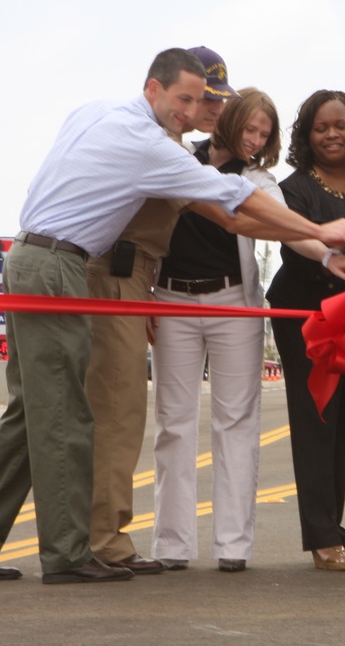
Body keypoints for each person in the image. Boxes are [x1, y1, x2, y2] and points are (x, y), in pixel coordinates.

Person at [0, 47, 345, 585]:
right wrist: (323, 230)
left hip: (37, 258)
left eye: (204, 100)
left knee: (33, 409)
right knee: (68, 414)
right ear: (153, 90)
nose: (192, 111)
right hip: (66, 268)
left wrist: (316, 243)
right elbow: (230, 201)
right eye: (186, 99)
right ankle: (69, 554)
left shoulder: (97, 113)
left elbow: (227, 210)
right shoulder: (150, 144)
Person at [83, 45, 242, 577]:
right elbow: (233, 216)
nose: (213, 108)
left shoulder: (170, 142)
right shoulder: (161, 147)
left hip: (133, 280)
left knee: (78, 413)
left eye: (218, 98)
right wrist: (318, 234)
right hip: (114, 277)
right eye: (200, 98)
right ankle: (103, 540)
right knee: (119, 411)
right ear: (167, 92)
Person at [150, 88, 286, 573]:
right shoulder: (179, 157)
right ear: (229, 122)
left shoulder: (260, 181)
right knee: (174, 423)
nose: (254, 140)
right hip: (171, 297)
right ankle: (171, 544)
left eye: (264, 134)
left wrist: (328, 247)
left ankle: (233, 545)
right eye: (249, 128)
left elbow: (282, 227)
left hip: (234, 302)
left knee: (236, 422)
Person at [266, 90, 345, 571]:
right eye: (321, 128)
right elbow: (294, 245)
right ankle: (321, 536)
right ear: (306, 136)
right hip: (309, 316)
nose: (332, 135)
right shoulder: (295, 188)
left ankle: (334, 526)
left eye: (341, 125)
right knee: (317, 421)